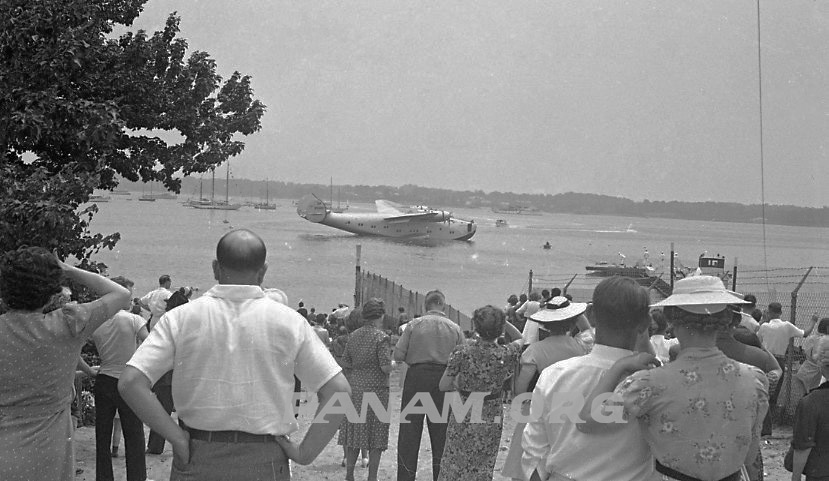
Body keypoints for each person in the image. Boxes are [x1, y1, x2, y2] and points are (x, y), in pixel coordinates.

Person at [119, 229, 351, 480]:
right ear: (263, 271)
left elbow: (131, 382)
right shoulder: (290, 322)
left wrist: (176, 437)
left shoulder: (180, 318)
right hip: (265, 458)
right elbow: (338, 392)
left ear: (215, 268)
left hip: (198, 454)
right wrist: (305, 453)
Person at [580, 275, 769, 481]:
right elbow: (750, 456)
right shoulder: (755, 380)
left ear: (672, 320)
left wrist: (618, 367)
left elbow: (587, 420)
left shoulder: (649, 384)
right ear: (724, 321)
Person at [0, 246, 131, 481]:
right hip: (49, 448)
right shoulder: (69, 324)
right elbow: (121, 294)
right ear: (52, 291)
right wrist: (68, 270)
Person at [521, 276, 655, 481]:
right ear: (645, 323)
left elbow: (534, 455)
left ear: (591, 314)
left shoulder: (555, 375)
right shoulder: (653, 381)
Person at [501, 297, 590, 480]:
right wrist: (576, 316)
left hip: (540, 406)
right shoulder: (582, 346)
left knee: (527, 458)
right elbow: (588, 330)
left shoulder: (535, 350)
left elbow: (521, 388)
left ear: (545, 324)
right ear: (572, 321)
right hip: (573, 408)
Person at [437, 305, 523, 481]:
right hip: (491, 412)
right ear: (500, 329)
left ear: (475, 326)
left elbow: (443, 385)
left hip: (465, 408)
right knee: (483, 461)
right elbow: (520, 338)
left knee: (455, 460)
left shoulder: (462, 351)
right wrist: (503, 323)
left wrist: (458, 384)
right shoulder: (505, 353)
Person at [394, 289, 464, 481]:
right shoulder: (455, 328)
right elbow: (462, 357)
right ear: (443, 304)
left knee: (409, 432)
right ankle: (440, 476)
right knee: (441, 433)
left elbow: (398, 355)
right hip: (444, 379)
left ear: (426, 305)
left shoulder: (414, 325)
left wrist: (415, 355)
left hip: (417, 377)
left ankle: (406, 476)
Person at [91, 275, 150, 481]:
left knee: (102, 435)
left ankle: (104, 477)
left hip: (104, 378)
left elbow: (74, 349)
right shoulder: (134, 319)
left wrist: (89, 370)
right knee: (134, 435)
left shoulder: (96, 322)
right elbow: (151, 346)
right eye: (128, 294)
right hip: (127, 381)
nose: (131, 299)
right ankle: (137, 477)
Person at [341, 299, 394, 481]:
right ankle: (372, 477)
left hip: (356, 389)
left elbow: (346, 363)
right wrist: (395, 363)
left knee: (356, 432)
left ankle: (349, 474)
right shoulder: (381, 338)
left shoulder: (353, 336)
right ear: (380, 315)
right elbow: (386, 367)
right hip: (377, 391)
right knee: (376, 437)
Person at [144, 286, 192, 455]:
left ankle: (156, 446)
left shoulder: (164, 324)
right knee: (185, 414)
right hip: (184, 376)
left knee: (161, 413)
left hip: (165, 375)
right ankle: (188, 445)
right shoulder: (190, 325)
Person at [758, 302, 817, 435]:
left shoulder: (764, 326)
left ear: (769, 311)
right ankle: (769, 425)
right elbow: (805, 333)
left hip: (765, 357)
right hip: (779, 359)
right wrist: (813, 321)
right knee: (774, 394)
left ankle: (761, 423)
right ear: (781, 312)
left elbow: (757, 340)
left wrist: (764, 320)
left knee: (762, 390)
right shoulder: (787, 326)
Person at [790, 336, 829, 481]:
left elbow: (803, 445)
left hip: (820, 471)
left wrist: (796, 476)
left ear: (821, 365)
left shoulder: (811, 402)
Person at [795, 316, 829, 392]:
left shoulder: (811, 338)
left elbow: (807, 353)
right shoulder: (825, 340)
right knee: (813, 394)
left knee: (805, 395)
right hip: (815, 372)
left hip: (804, 369)